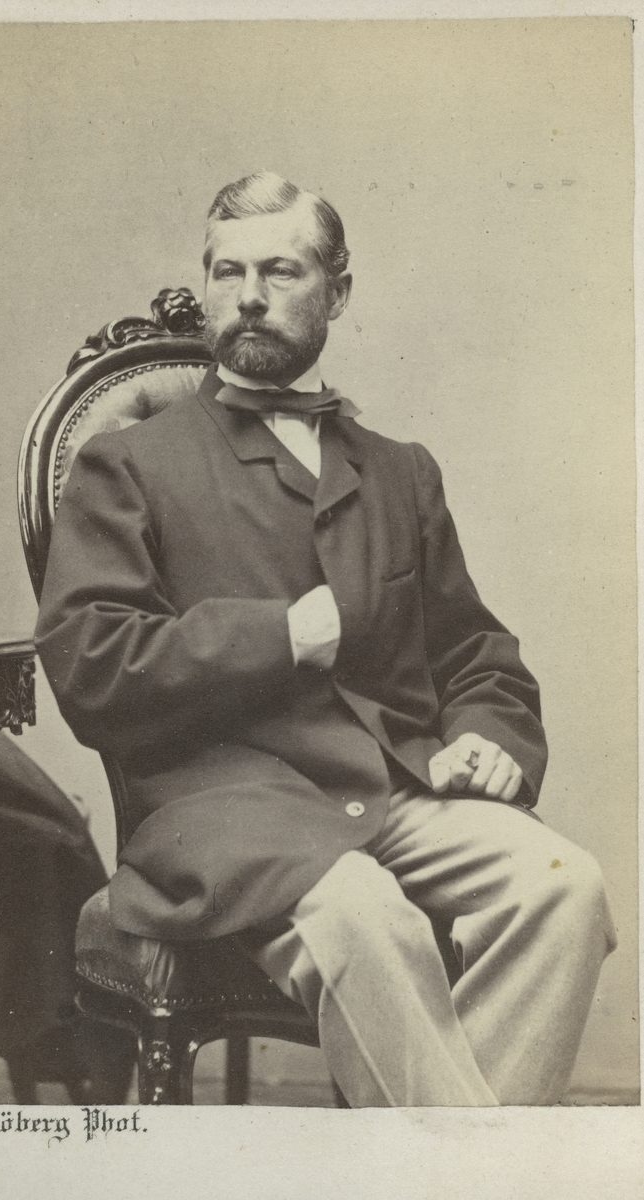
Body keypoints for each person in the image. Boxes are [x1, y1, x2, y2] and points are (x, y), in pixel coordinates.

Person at [35, 171, 616, 1107]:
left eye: (280, 271)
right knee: (363, 914)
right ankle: (486, 1172)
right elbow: (90, 665)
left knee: (563, 885)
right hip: (220, 809)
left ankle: (446, 1168)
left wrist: (487, 736)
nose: (248, 296)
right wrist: (277, 637)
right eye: (227, 272)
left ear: (336, 292)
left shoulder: (398, 472)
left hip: (389, 790)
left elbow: (472, 651)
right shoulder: (130, 464)